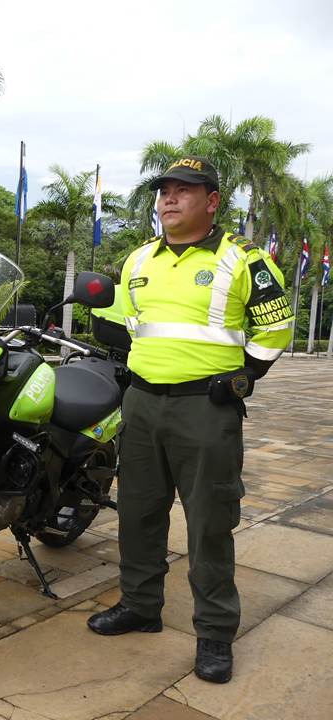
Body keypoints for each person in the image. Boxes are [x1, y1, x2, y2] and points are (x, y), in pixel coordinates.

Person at [87, 156, 293, 684]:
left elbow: (276, 328)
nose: (169, 199)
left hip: (206, 409)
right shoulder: (139, 260)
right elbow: (126, 324)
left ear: (212, 201)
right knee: (137, 512)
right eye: (164, 191)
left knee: (208, 523)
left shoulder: (242, 260)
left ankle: (216, 633)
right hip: (141, 404)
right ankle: (140, 605)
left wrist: (243, 378)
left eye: (184, 190)